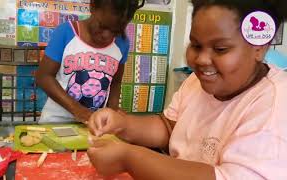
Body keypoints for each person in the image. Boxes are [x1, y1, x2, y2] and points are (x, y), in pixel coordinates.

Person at [87, 0, 287, 179]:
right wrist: (123, 124)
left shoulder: (274, 107)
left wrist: (129, 158)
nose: (201, 59)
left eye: (220, 49)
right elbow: (170, 128)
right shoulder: (197, 81)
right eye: (196, 45)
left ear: (259, 48)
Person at [36, 0, 144, 123]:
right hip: (55, 121)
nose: (106, 35)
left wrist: (113, 110)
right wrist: (78, 110)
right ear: (92, 5)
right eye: (102, 26)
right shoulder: (66, 32)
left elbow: (116, 82)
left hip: (93, 125)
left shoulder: (122, 43)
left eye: (116, 31)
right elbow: (43, 77)